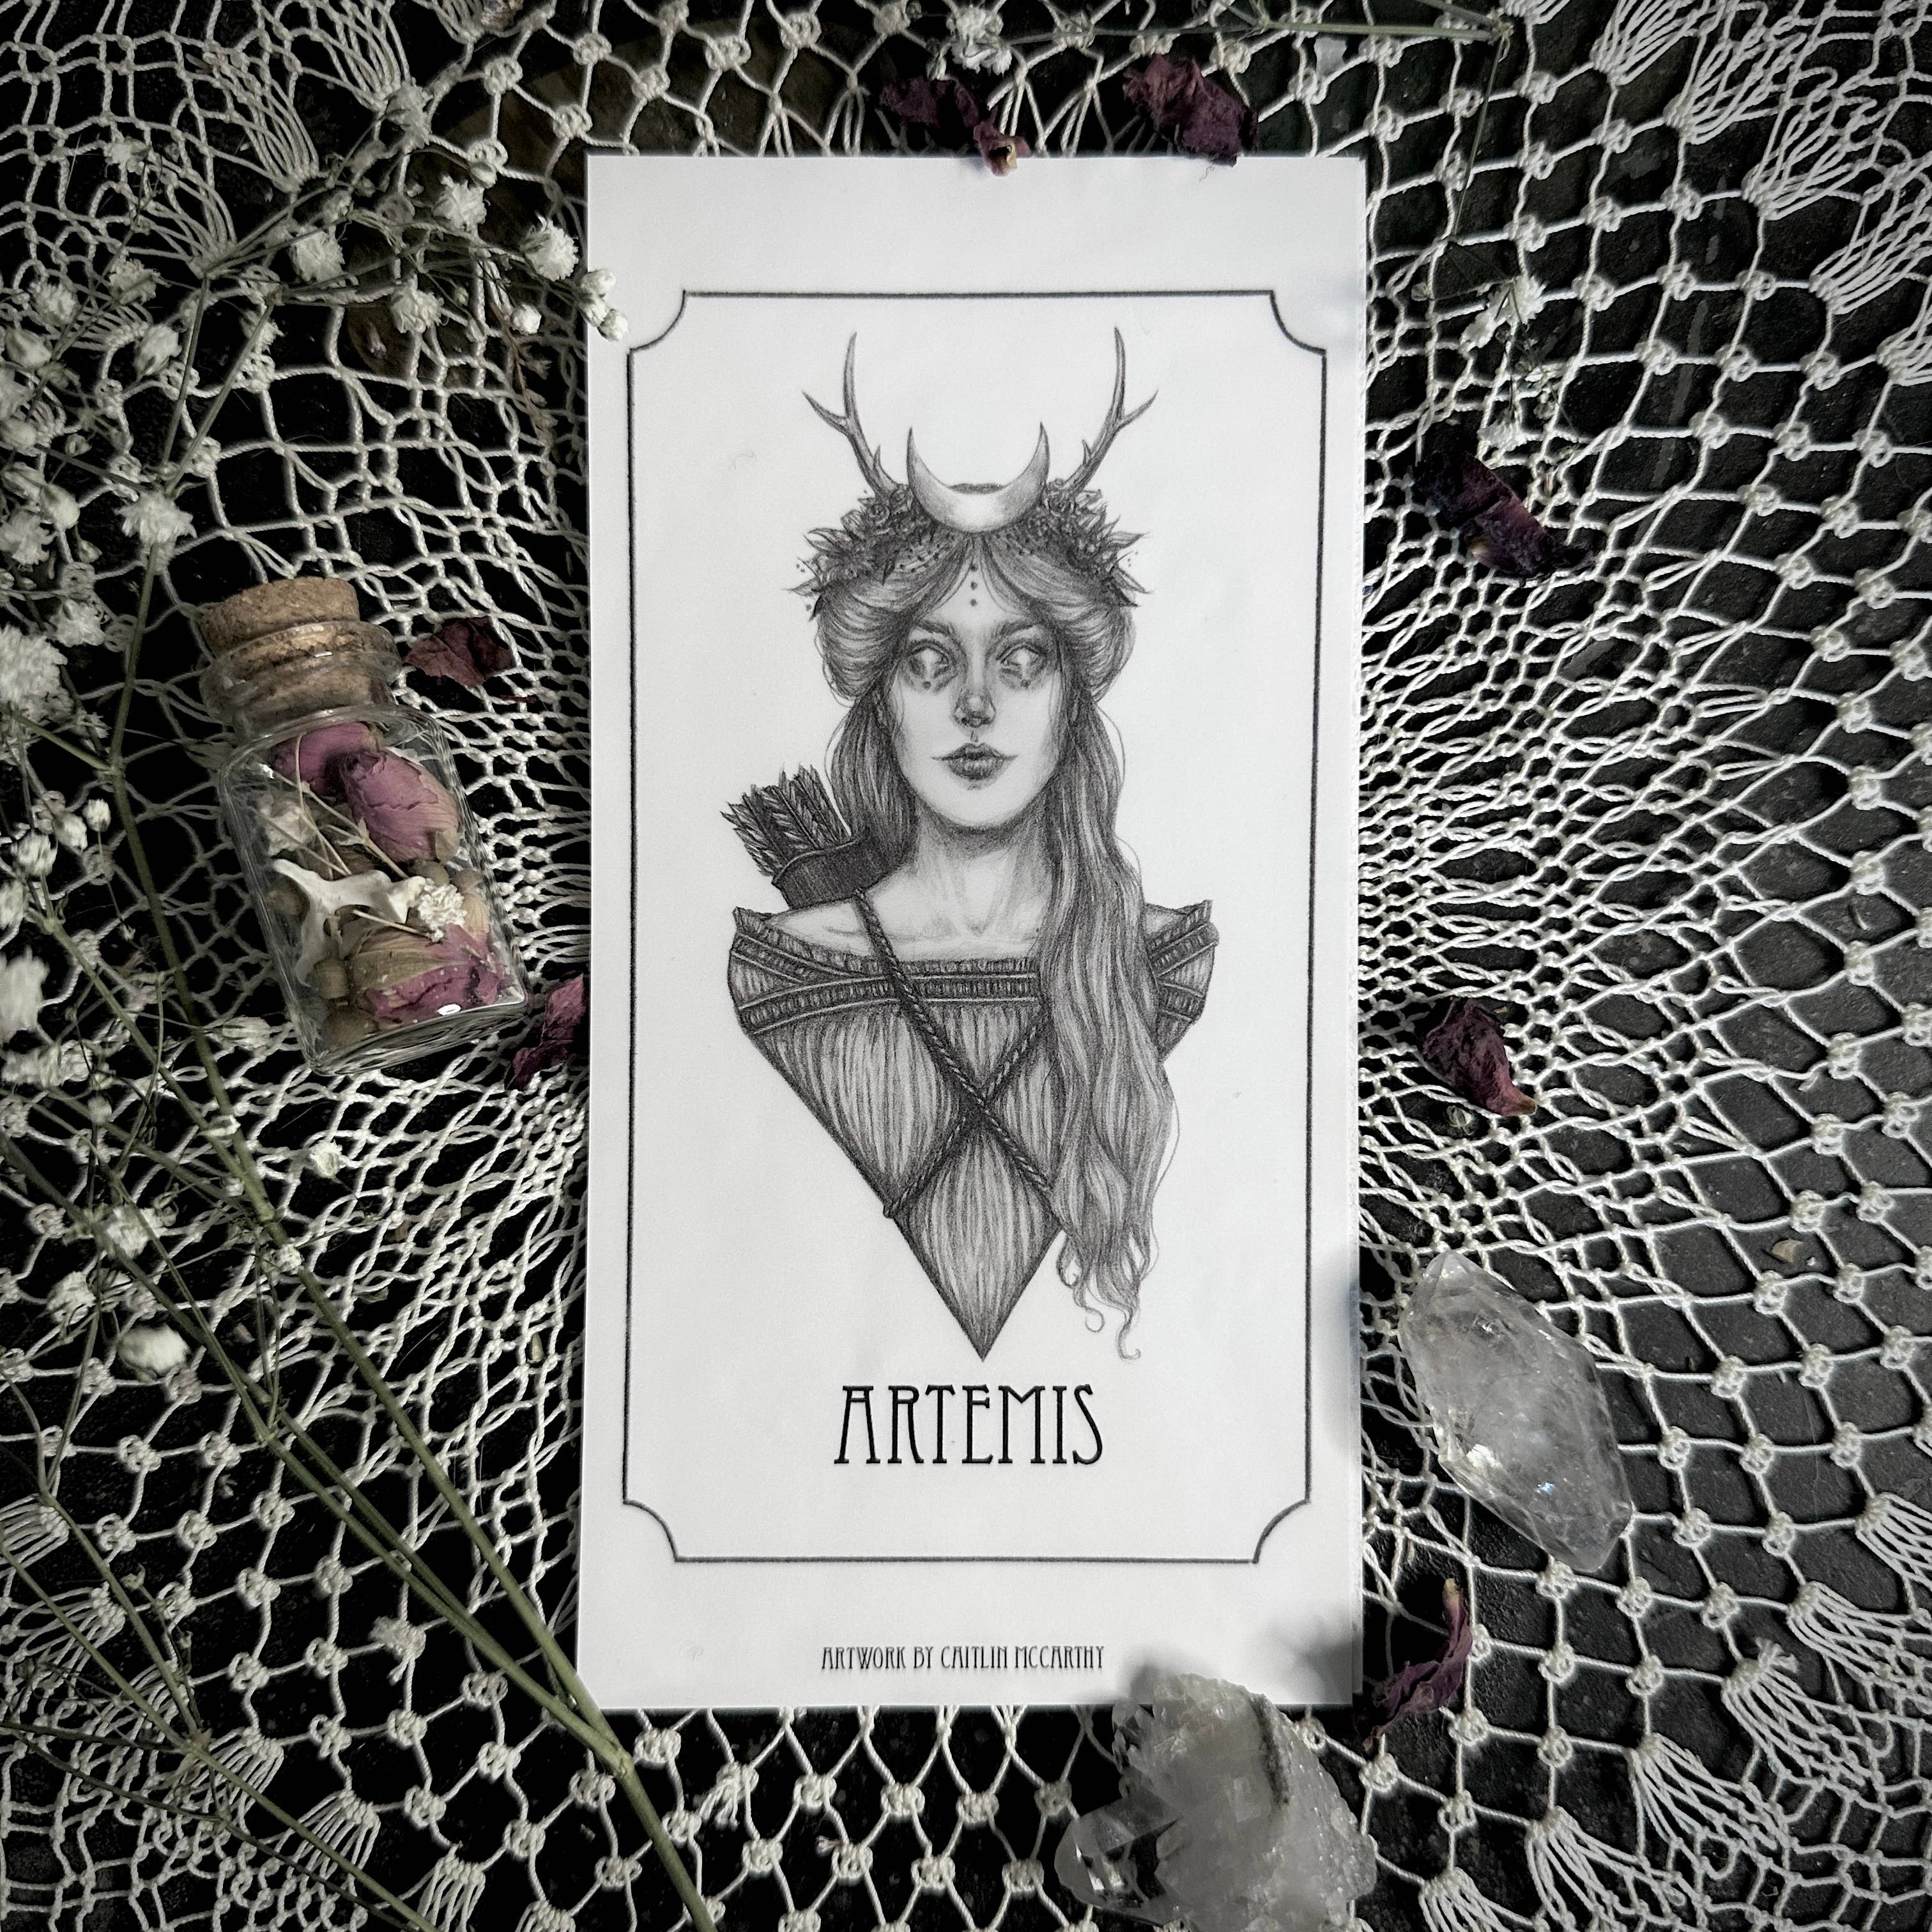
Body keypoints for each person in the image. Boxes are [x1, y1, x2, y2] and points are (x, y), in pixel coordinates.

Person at [726, 335, 1216, 1358]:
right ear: (882, 702)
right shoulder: (782, 972)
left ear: (1074, 703)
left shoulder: (1165, 962)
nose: (977, 705)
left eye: (1023, 660)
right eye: (930, 661)